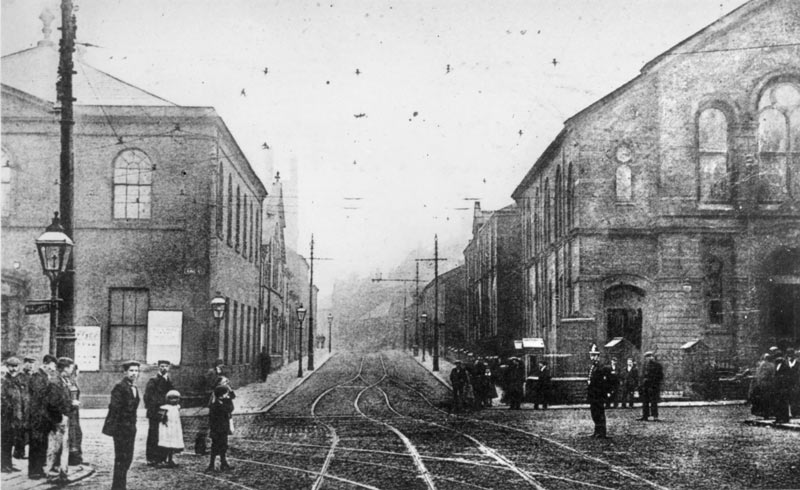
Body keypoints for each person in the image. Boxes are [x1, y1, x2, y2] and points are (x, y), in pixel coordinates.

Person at [102, 360, 141, 490]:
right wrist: (122, 425)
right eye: (131, 371)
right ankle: (118, 487)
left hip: (130, 428)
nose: (134, 373)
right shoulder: (120, 387)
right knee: (121, 458)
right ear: (125, 372)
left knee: (128, 458)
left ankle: (121, 485)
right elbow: (115, 407)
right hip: (121, 429)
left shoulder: (134, 387)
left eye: (136, 371)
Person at [27, 354, 63, 479]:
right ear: (46, 364)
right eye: (53, 365)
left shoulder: (45, 377)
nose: (54, 369)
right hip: (38, 416)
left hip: (44, 417)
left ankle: (39, 470)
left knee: (42, 444)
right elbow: (40, 396)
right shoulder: (37, 377)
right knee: (36, 444)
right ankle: (34, 471)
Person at [46, 357, 74, 482]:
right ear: (65, 368)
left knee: (63, 447)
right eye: (70, 367)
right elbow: (52, 403)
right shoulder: (55, 382)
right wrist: (60, 417)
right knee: (55, 447)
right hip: (58, 420)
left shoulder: (64, 381)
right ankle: (52, 473)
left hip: (64, 417)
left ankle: (62, 473)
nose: (72, 370)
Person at [144, 360, 174, 466]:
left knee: (164, 435)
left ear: (168, 368)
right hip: (156, 412)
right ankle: (152, 458)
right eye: (161, 366)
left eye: (166, 366)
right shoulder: (153, 380)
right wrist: (158, 407)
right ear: (158, 367)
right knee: (154, 435)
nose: (163, 368)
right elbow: (148, 397)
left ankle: (163, 458)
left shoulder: (168, 380)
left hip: (166, 412)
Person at [1, 357, 25, 473]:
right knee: (5, 441)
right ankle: (4, 465)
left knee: (11, 440)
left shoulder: (19, 380)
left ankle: (9, 464)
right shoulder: (4, 380)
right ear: (7, 366)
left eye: (16, 366)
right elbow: (4, 398)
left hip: (17, 415)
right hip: (6, 416)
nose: (14, 369)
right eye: (11, 366)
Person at [206, 385, 234, 472]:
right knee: (215, 447)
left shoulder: (223, 402)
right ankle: (211, 465)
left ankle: (223, 463)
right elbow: (227, 409)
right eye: (226, 394)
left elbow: (231, 407)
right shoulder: (215, 406)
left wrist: (229, 393)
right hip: (217, 430)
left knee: (223, 446)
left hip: (223, 429)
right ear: (221, 395)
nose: (227, 395)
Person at [13, 356, 34, 460]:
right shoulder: (19, 377)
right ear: (24, 364)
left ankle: (25, 451)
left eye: (32, 363)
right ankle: (18, 452)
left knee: (29, 430)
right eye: (28, 363)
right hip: (22, 407)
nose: (30, 365)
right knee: (20, 430)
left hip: (30, 407)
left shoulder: (33, 377)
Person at [587, 344, 610, 438]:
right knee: (594, 413)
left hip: (598, 394)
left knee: (599, 413)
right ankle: (597, 431)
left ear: (598, 356)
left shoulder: (601, 367)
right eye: (591, 355)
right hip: (593, 394)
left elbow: (603, 382)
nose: (592, 357)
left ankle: (602, 432)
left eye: (594, 355)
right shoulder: (593, 366)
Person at [158, 390, 184, 468]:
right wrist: (163, 418)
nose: (174, 400)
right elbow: (161, 418)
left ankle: (170, 459)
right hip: (167, 429)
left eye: (176, 398)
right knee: (165, 444)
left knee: (172, 445)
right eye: (172, 398)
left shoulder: (177, 407)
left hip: (175, 428)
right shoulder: (164, 408)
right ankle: (162, 460)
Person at [638, 351, 664, 422]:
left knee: (653, 401)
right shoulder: (644, 365)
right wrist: (641, 384)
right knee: (645, 401)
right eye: (647, 357)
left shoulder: (657, 365)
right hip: (645, 386)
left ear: (652, 357)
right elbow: (641, 376)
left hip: (653, 386)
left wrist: (653, 382)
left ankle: (655, 416)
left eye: (650, 356)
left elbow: (660, 376)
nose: (649, 358)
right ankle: (645, 416)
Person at [749, 352, 776, 419]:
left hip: (763, 384)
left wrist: (758, 382)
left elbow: (760, 375)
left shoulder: (763, 364)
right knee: (769, 399)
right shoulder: (773, 365)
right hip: (771, 384)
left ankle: (765, 414)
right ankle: (769, 413)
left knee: (763, 399)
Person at [66, 363, 83, 466]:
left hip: (75, 412)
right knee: (72, 434)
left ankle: (77, 456)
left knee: (77, 433)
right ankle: (73, 458)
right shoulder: (70, 382)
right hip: (71, 412)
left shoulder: (74, 382)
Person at [773, 350, 792, 424]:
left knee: (783, 403)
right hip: (777, 387)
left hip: (783, 387)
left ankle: (785, 418)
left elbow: (788, 376)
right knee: (778, 403)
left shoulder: (785, 365)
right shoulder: (777, 365)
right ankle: (778, 418)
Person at [786, 347, 799, 418]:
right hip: (787, 383)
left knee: (795, 398)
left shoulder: (797, 363)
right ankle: (789, 412)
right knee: (788, 397)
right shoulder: (785, 362)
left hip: (795, 383)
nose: (790, 355)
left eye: (791, 353)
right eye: (789, 354)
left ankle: (795, 412)